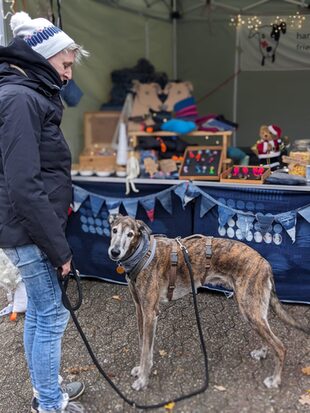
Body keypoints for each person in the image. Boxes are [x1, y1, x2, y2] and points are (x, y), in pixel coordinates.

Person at [0, 11, 89, 413]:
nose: (69, 74)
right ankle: (50, 404)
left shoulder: (26, 94)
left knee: (40, 309)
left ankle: (45, 389)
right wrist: (60, 251)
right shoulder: (20, 98)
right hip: (30, 230)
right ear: (42, 55)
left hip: (29, 228)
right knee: (52, 314)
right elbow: (24, 185)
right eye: (66, 64)